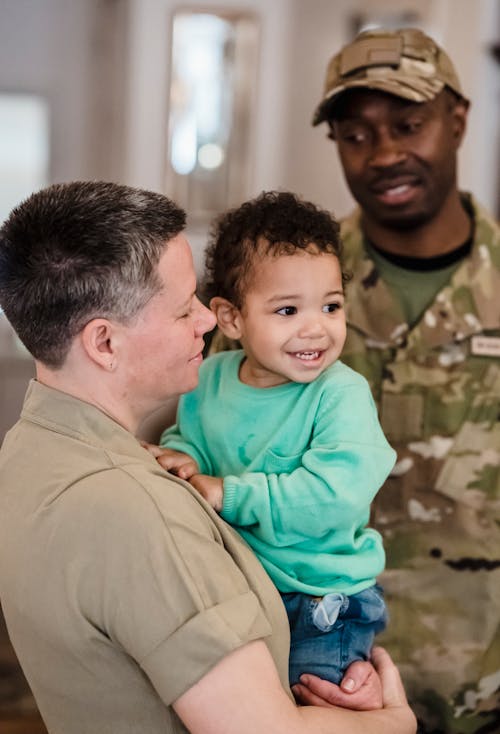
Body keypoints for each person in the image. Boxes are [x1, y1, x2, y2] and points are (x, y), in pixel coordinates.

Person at [0, 181, 416, 734]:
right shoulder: (143, 510)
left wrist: (197, 471)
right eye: (182, 310)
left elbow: (336, 490)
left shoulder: (27, 450)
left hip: (325, 596)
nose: (205, 320)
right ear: (104, 343)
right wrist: (393, 723)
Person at [311, 27, 500, 733]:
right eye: (354, 134)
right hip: (323, 688)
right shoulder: (283, 294)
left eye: (408, 124)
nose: (384, 153)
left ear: (458, 119)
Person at [149, 190, 396, 689]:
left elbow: (333, 496)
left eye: (330, 306)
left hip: (322, 601)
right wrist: (183, 457)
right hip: (242, 588)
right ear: (231, 318)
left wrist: (229, 493)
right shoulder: (210, 380)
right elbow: (195, 444)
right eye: (287, 311)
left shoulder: (341, 395)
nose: (316, 328)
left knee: (306, 707)